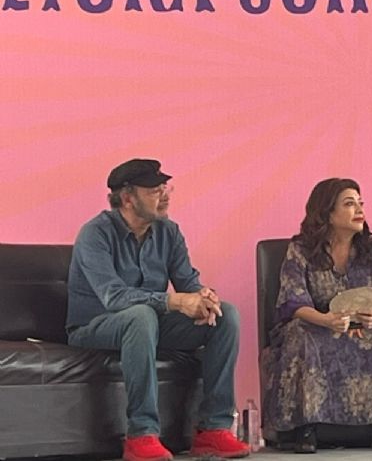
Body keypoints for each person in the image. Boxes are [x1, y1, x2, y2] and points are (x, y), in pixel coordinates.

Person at [66, 159, 250, 461]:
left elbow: (188, 282)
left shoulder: (169, 232)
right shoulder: (94, 235)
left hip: (148, 325)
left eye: (166, 188)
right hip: (94, 326)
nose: (165, 196)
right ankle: (142, 434)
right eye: (155, 190)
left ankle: (213, 430)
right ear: (127, 198)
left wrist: (204, 298)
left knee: (225, 315)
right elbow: (113, 297)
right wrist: (175, 301)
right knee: (141, 315)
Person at [260, 178, 372, 453]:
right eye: (349, 204)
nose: (359, 209)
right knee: (301, 333)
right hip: (316, 321)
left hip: (363, 325)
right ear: (327, 214)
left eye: (360, 203)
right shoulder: (300, 250)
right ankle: (306, 425)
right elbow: (292, 304)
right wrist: (327, 320)